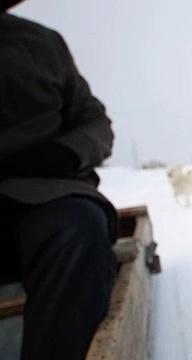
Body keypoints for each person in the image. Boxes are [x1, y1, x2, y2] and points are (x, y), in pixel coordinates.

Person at [0, 1, 118, 358]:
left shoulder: (41, 43)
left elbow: (96, 124)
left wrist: (66, 153)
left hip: (45, 194)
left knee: (78, 231)